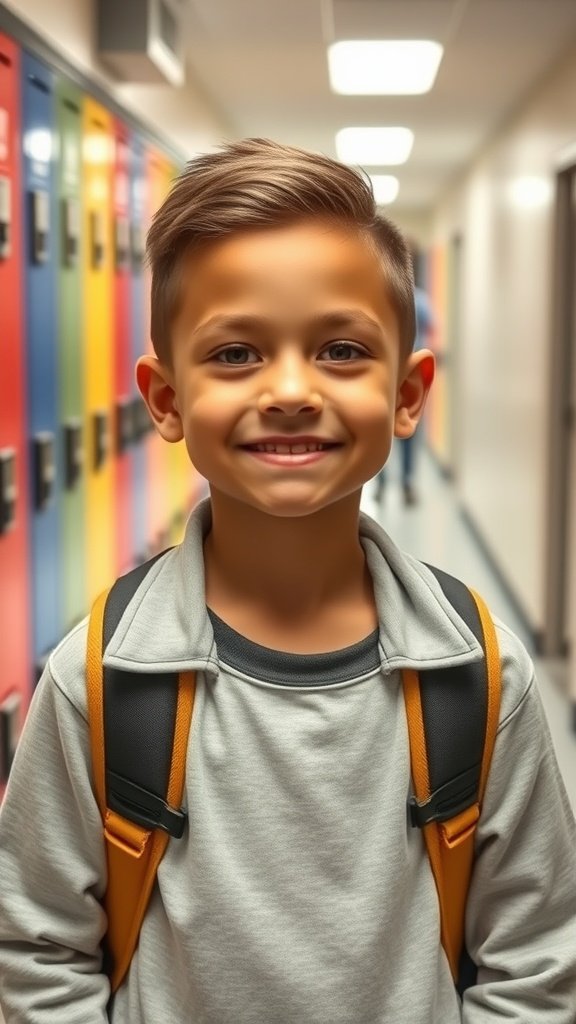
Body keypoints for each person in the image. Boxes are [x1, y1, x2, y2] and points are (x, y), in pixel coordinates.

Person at [0, 138, 575, 1024]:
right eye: (235, 355)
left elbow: (537, 958)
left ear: (409, 393)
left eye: (342, 349)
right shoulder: (99, 682)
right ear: (165, 400)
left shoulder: (480, 678)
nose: (292, 389)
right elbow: (37, 950)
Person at [374, 261, 435, 506]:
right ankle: (407, 484)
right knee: (407, 434)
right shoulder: (420, 300)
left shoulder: (382, 298)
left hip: (388, 374)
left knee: (381, 430)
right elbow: (432, 327)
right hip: (405, 377)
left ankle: (382, 484)